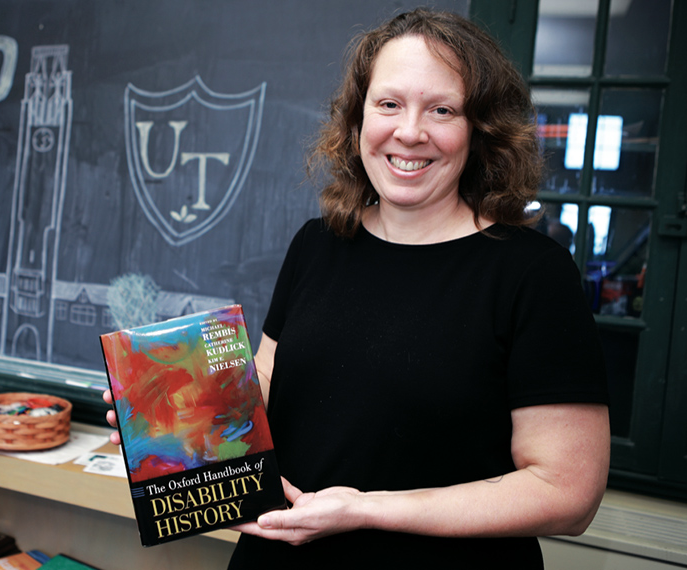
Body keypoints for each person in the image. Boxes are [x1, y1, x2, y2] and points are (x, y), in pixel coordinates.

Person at [106, 8, 610, 569]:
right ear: (358, 117)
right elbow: (269, 383)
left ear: (479, 128)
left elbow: (567, 493)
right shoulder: (318, 243)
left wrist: (367, 509)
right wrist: (169, 420)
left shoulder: (534, 274)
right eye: (389, 104)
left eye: (442, 109)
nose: (410, 131)